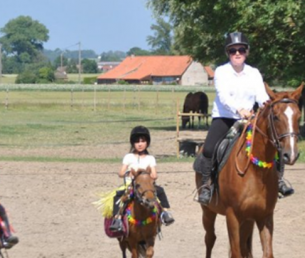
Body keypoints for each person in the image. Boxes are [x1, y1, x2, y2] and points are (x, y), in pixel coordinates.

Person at [197, 31, 294, 205]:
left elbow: (261, 96)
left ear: (246, 52)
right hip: (225, 117)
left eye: (241, 49)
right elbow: (223, 95)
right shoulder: (221, 71)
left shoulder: (254, 73)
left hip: (251, 119)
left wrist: (268, 106)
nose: (237, 54)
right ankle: (206, 186)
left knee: (276, 144)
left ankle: (278, 180)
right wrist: (238, 109)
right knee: (210, 149)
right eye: (233, 50)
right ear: (228, 53)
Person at [109, 126, 175, 232]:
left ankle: (165, 213)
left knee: (160, 191)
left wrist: (149, 174)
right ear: (133, 143)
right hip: (131, 185)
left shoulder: (150, 158)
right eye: (137, 142)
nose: (140, 144)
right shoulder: (128, 157)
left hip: (147, 185)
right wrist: (128, 173)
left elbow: (155, 175)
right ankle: (117, 220)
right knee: (118, 196)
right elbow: (120, 173)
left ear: (147, 143)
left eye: (143, 141)